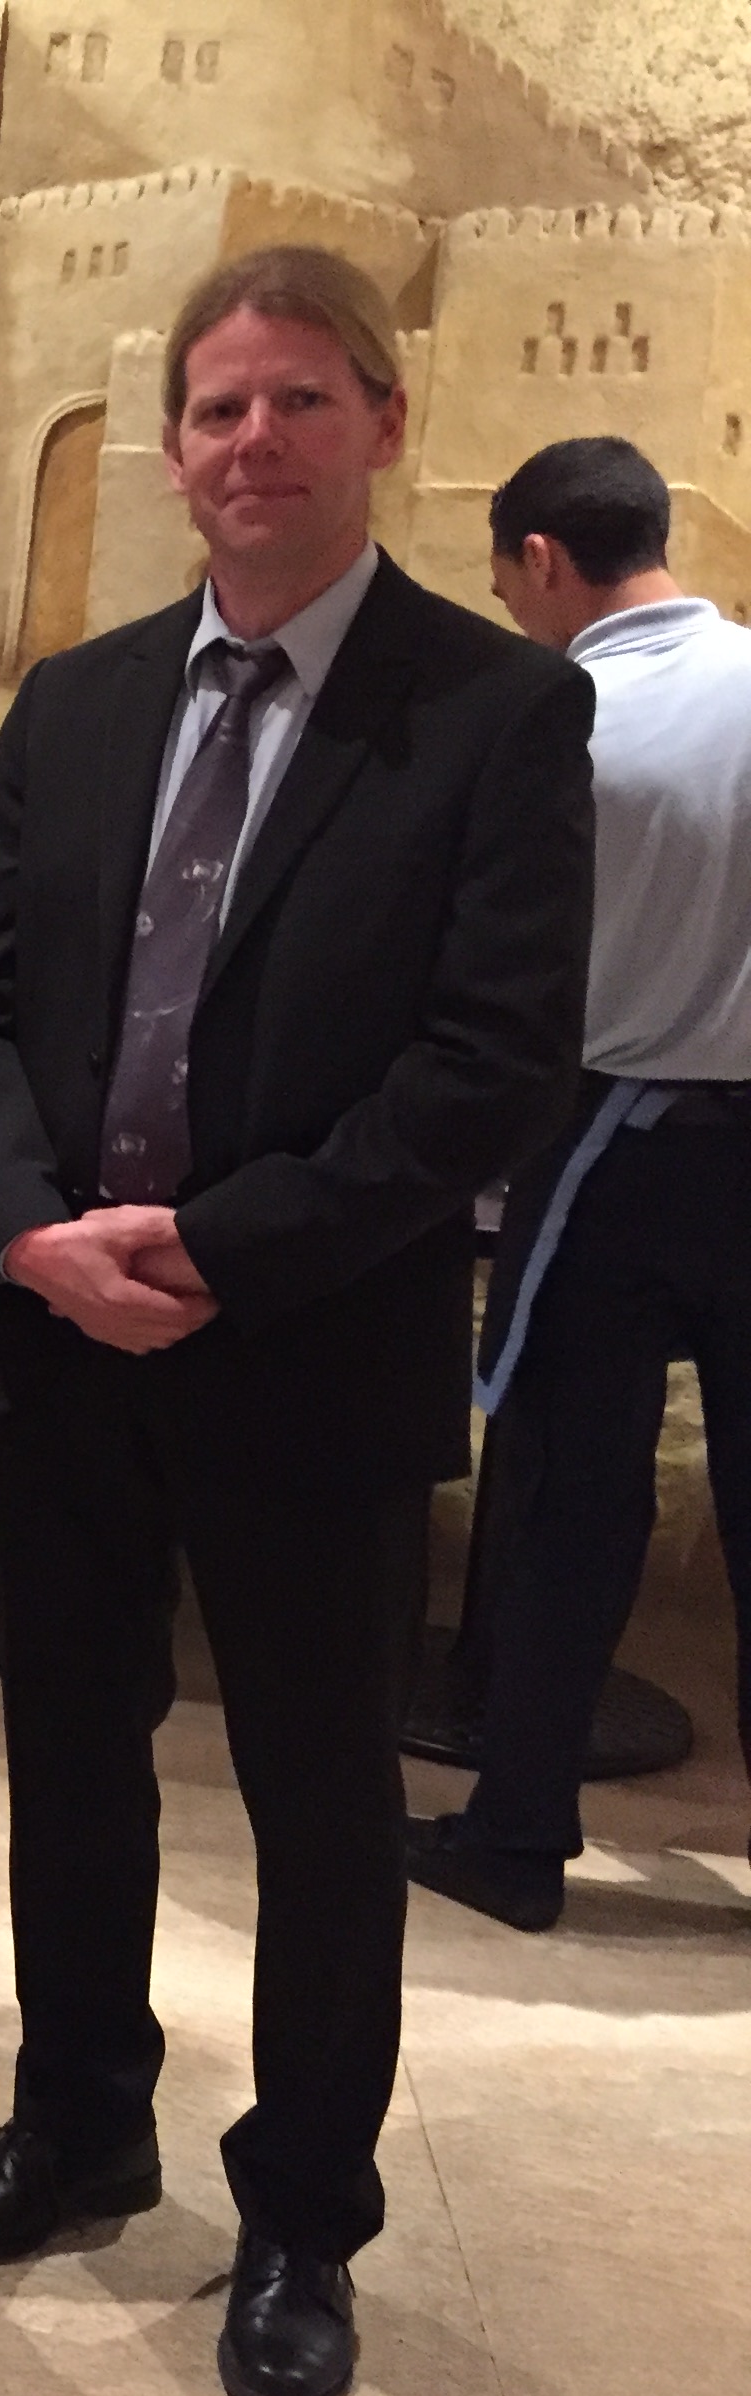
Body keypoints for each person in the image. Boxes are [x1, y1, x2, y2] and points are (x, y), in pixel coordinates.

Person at [0, 246, 593, 2396]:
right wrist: (26, 1234)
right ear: (172, 444)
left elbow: (490, 1064)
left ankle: (301, 2217)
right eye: (217, 407)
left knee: (315, 1805)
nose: (254, 442)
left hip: (305, 1359)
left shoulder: (490, 714)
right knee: (69, 1762)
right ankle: (78, 2117)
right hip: (63, 1348)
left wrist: (214, 1245)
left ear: (382, 422)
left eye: (300, 400)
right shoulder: (75, 702)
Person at [408, 438, 751, 1930]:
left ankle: (517, 1835)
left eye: (507, 584)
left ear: (541, 560)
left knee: (566, 1510)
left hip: (616, 1140)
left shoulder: (563, 718)